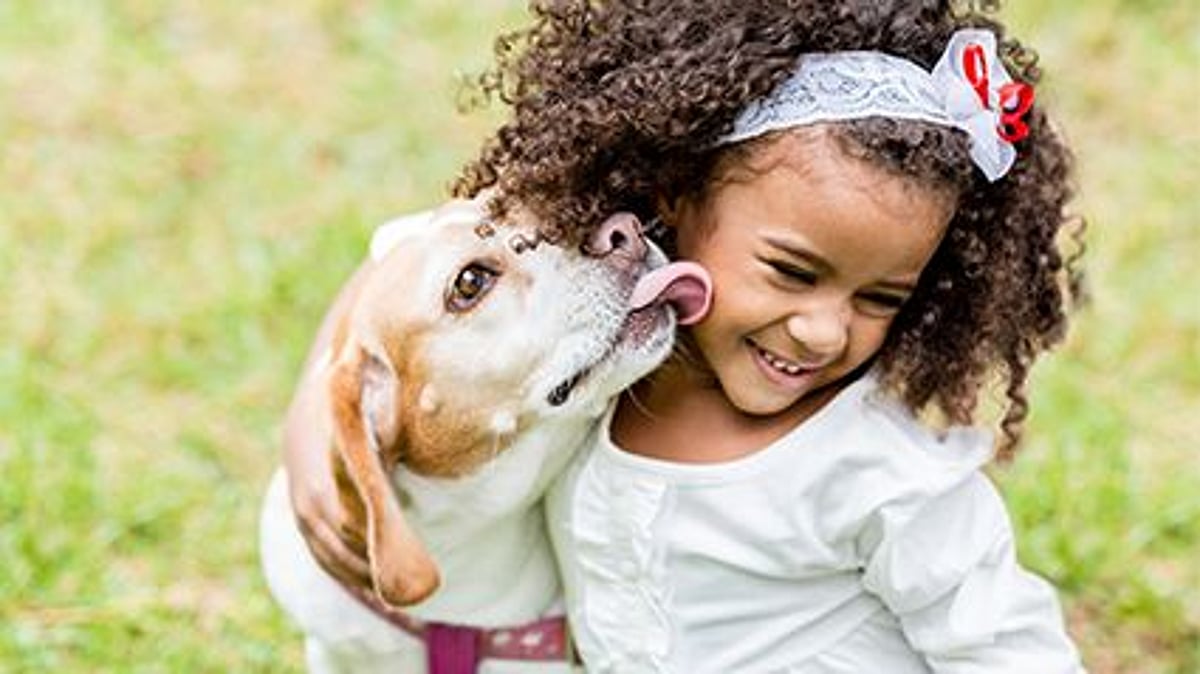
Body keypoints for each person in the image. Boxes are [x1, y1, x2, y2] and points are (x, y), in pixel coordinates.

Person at [288, 0, 1088, 671]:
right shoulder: (600, 349)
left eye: (882, 297)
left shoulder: (879, 473)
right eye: (791, 271)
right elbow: (411, 260)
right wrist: (317, 419)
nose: (822, 329)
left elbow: (1012, 649)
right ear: (672, 192)